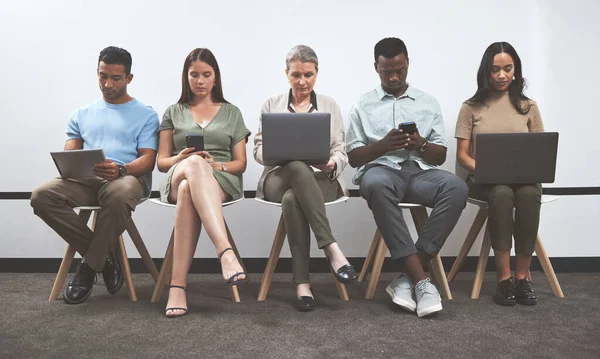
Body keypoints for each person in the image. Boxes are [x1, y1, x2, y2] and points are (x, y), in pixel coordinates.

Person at [346, 37, 468, 318]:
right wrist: (384, 146)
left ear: (408, 64)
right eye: (387, 71)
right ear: (375, 67)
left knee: (456, 188)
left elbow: (439, 157)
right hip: (382, 171)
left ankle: (408, 275)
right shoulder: (363, 105)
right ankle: (422, 281)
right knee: (375, 183)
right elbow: (354, 158)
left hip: (421, 173)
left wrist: (421, 144)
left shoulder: (428, 102)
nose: (393, 76)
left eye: (399, 70)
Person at [30, 46, 159, 304]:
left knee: (119, 194)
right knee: (41, 196)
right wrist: (71, 161)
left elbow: (148, 160)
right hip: (86, 180)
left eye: (115, 78)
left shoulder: (146, 114)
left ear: (129, 78)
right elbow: (70, 154)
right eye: (102, 76)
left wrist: (121, 169)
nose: (107, 84)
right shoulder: (82, 114)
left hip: (126, 179)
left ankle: (88, 269)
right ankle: (104, 260)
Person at [253, 45, 357, 312]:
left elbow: (340, 151)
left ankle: (302, 284)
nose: (302, 81)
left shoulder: (329, 105)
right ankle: (332, 249)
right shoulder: (271, 105)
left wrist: (332, 163)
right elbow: (258, 150)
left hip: (321, 181)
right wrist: (279, 153)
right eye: (296, 75)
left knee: (293, 199)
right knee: (297, 166)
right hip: (278, 177)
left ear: (316, 74)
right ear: (286, 74)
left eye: (308, 75)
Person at [157, 48, 250, 318]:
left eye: (206, 75)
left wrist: (215, 165)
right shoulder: (173, 112)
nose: (200, 81)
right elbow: (162, 162)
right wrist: (181, 158)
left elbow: (240, 163)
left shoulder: (232, 112)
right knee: (191, 169)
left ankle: (177, 287)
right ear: (185, 77)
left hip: (219, 179)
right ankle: (226, 252)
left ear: (216, 77)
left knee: (190, 187)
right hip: (178, 172)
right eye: (194, 75)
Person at [455, 42, 544, 306]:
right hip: (484, 180)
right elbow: (462, 155)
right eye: (496, 70)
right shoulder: (470, 107)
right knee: (502, 194)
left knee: (529, 194)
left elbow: (540, 151)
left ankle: (523, 277)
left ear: (515, 70)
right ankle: (504, 279)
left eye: (507, 69)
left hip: (523, 180)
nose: (502, 75)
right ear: (486, 71)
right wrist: (486, 169)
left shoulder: (529, 106)